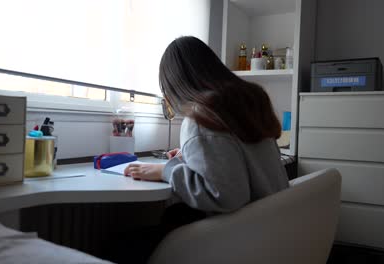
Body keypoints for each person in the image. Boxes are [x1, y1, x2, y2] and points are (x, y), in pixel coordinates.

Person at [114, 36, 288, 263]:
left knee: (120, 245)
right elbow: (234, 157)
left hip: (241, 242)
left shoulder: (203, 116)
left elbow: (226, 196)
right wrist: (192, 154)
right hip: (277, 232)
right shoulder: (248, 102)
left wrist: (165, 171)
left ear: (174, 84)